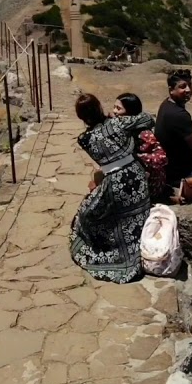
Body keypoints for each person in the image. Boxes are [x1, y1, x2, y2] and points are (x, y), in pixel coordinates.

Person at [69, 93, 155, 283]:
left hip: (115, 181)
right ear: (99, 107)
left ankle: (109, 249)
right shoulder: (118, 123)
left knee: (86, 213)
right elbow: (148, 119)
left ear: (81, 116)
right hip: (137, 176)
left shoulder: (84, 139)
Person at [113, 93, 170, 201]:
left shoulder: (143, 134)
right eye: (114, 107)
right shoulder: (119, 128)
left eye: (119, 108)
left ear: (129, 112)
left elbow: (162, 158)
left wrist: (138, 158)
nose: (114, 111)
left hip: (150, 181)